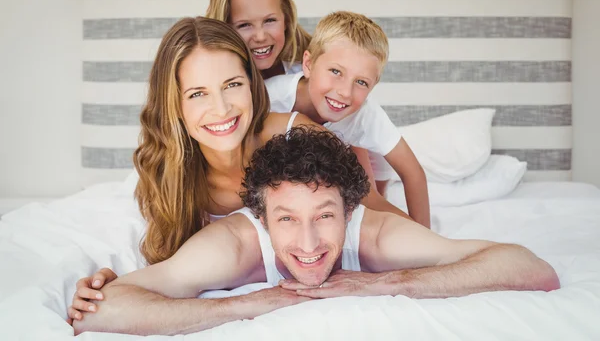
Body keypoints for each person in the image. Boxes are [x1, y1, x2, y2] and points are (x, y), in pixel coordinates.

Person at [67, 15, 412, 322]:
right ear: (174, 104)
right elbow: (172, 268)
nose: (221, 109)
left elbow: (379, 214)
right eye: (197, 93)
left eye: (232, 85)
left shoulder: (296, 135)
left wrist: (410, 256)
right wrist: (116, 284)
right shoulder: (168, 176)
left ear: (251, 84)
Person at [73, 127, 560, 336]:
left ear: (349, 211)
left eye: (325, 216)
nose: (308, 246)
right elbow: (100, 312)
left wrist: (386, 283)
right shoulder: (234, 245)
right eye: (287, 218)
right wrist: (247, 304)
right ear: (262, 217)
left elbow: (533, 268)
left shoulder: (377, 237)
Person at [265, 11, 430, 227]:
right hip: (295, 170)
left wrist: (425, 234)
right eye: (336, 71)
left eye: (361, 82)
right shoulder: (270, 97)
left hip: (360, 163)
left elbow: (413, 172)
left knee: (376, 203)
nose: (344, 92)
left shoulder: (366, 115)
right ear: (308, 64)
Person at [206, 0, 311, 79]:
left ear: (287, 20)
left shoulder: (311, 70)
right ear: (223, 29)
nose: (260, 37)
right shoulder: (208, 80)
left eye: (269, 20)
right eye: (244, 25)